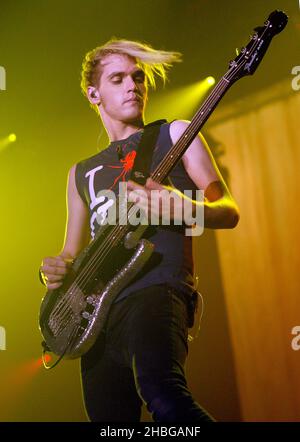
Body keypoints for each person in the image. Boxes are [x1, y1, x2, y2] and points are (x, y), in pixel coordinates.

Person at [39, 38, 240, 422]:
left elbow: (228, 212)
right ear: (93, 93)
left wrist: (184, 207)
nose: (133, 85)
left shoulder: (175, 134)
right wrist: (54, 269)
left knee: (163, 394)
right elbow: (71, 252)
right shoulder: (81, 172)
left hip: (157, 289)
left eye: (138, 77)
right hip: (95, 315)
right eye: (118, 79)